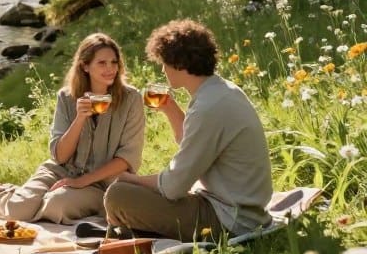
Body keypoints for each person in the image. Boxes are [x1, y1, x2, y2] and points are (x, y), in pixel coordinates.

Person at [104, 19, 273, 242]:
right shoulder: (222, 91)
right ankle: (129, 229)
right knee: (132, 191)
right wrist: (170, 109)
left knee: (118, 195)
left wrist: (129, 178)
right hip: (240, 210)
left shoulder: (208, 107)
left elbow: (173, 187)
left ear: (180, 64)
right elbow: (195, 145)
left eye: (164, 63)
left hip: (230, 221)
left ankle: (123, 233)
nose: (163, 69)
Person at [0, 32, 145, 223]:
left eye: (114, 62)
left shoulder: (131, 99)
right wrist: (79, 119)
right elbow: (60, 156)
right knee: (17, 210)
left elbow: (126, 159)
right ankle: (17, 197)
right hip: (60, 170)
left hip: (101, 181)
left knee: (56, 206)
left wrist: (79, 183)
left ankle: (44, 205)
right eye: (102, 63)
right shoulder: (66, 97)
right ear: (85, 66)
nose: (110, 68)